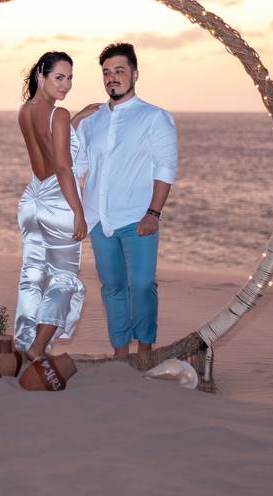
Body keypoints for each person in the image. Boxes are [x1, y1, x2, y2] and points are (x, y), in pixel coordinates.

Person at [72, 42, 178, 358]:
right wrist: (75, 123)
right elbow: (77, 166)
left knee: (143, 284)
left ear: (134, 73)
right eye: (106, 73)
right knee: (112, 288)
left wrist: (153, 213)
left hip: (137, 218)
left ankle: (144, 349)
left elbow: (165, 167)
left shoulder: (155, 117)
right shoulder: (92, 120)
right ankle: (120, 353)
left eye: (119, 71)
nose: (112, 78)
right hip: (99, 219)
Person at [14, 51, 87, 362]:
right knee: (63, 278)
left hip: (31, 201)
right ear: (40, 77)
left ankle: (22, 343)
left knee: (32, 274)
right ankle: (37, 349)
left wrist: (74, 121)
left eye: (70, 78)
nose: (66, 85)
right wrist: (79, 213)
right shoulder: (58, 115)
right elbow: (62, 167)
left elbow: (46, 143)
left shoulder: (24, 111)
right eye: (59, 77)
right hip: (58, 203)